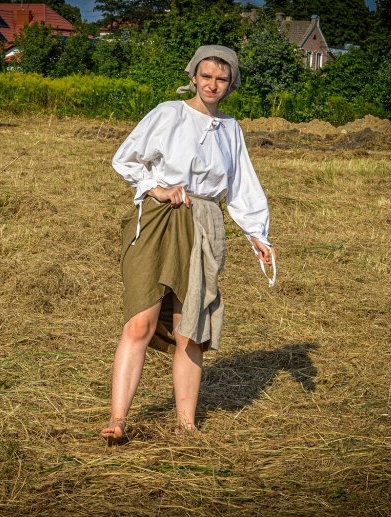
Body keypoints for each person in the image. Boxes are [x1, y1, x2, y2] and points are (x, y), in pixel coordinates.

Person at [101, 45, 276, 444]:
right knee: (140, 322)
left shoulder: (231, 129)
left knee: (189, 329)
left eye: (222, 78)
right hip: (160, 218)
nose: (213, 84)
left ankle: (186, 424)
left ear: (230, 84)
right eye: (207, 76)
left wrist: (258, 237)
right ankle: (117, 420)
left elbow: (242, 188)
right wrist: (156, 188)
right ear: (194, 77)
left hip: (205, 223)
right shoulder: (169, 113)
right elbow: (124, 159)